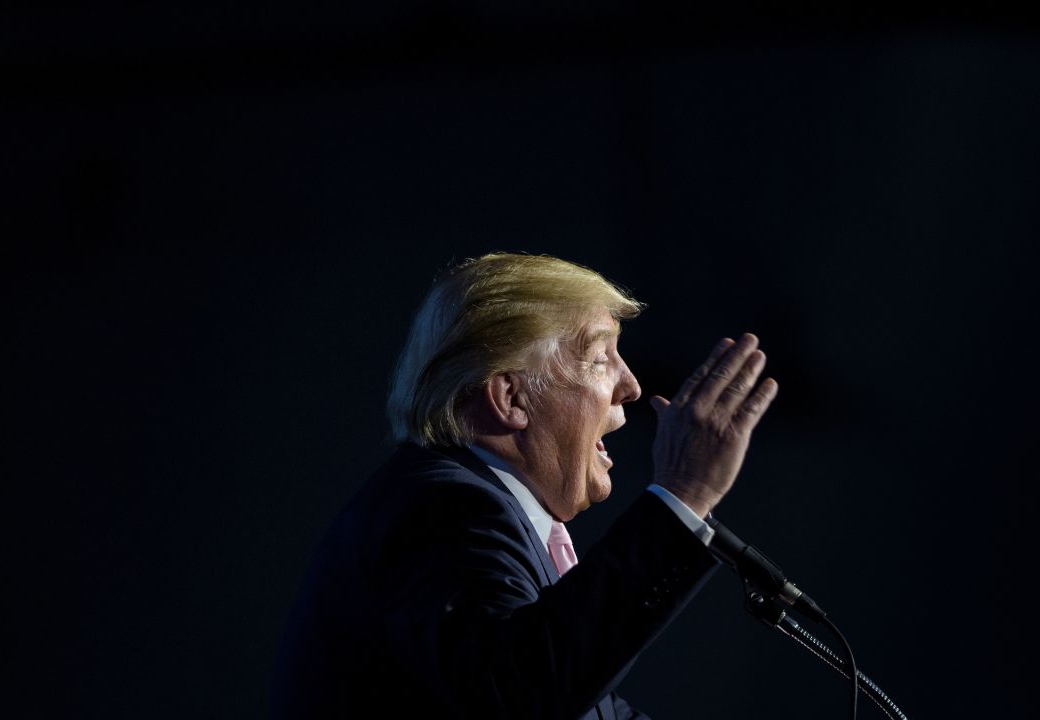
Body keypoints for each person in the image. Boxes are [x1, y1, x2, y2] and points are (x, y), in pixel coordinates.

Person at [272, 253, 778, 719]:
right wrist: (683, 492)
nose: (631, 385)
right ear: (510, 396)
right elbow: (521, 690)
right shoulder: (447, 509)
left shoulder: (482, 509)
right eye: (600, 358)